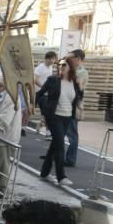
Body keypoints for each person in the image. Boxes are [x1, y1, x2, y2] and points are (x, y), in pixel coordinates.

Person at [35, 56, 81, 187]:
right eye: (59, 65)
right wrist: (45, 112)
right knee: (60, 145)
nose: (61, 67)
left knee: (55, 145)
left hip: (67, 117)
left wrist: (80, 102)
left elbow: (77, 97)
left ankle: (44, 173)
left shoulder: (75, 82)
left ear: (70, 67)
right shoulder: (53, 80)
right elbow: (40, 95)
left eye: (64, 65)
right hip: (54, 117)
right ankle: (61, 176)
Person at [63, 49, 87, 165]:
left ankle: (71, 159)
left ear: (77, 59)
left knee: (72, 133)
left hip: (73, 105)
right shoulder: (75, 70)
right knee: (62, 131)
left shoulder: (81, 72)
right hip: (67, 104)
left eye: (71, 58)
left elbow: (79, 88)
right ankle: (56, 155)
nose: (69, 60)